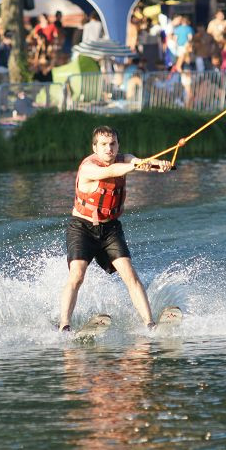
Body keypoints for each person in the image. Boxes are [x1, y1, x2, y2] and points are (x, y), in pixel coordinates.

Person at [59, 126, 172, 332]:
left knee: (130, 274)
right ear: (95, 147)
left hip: (110, 229)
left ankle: (149, 323)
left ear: (118, 145)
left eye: (112, 144)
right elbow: (111, 171)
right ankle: (64, 325)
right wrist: (136, 166)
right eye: (103, 145)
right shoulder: (88, 168)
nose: (109, 149)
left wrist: (160, 165)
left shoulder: (125, 159)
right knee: (77, 275)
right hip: (82, 228)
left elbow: (141, 163)